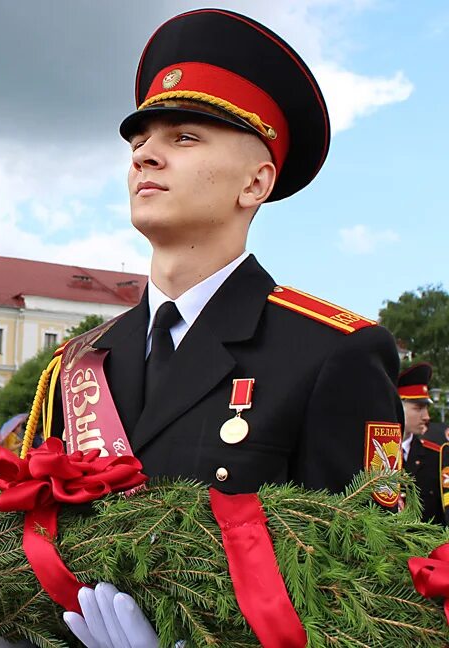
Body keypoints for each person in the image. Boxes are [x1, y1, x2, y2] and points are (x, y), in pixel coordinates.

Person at [26, 9, 404, 646]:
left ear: (255, 183)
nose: (146, 153)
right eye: (140, 140)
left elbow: (374, 590)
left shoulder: (332, 352)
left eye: (184, 137)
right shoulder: (81, 362)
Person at [400, 363, 446, 524]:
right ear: (398, 406)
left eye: (426, 408)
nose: (426, 416)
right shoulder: (373, 455)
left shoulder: (435, 457)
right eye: (418, 408)